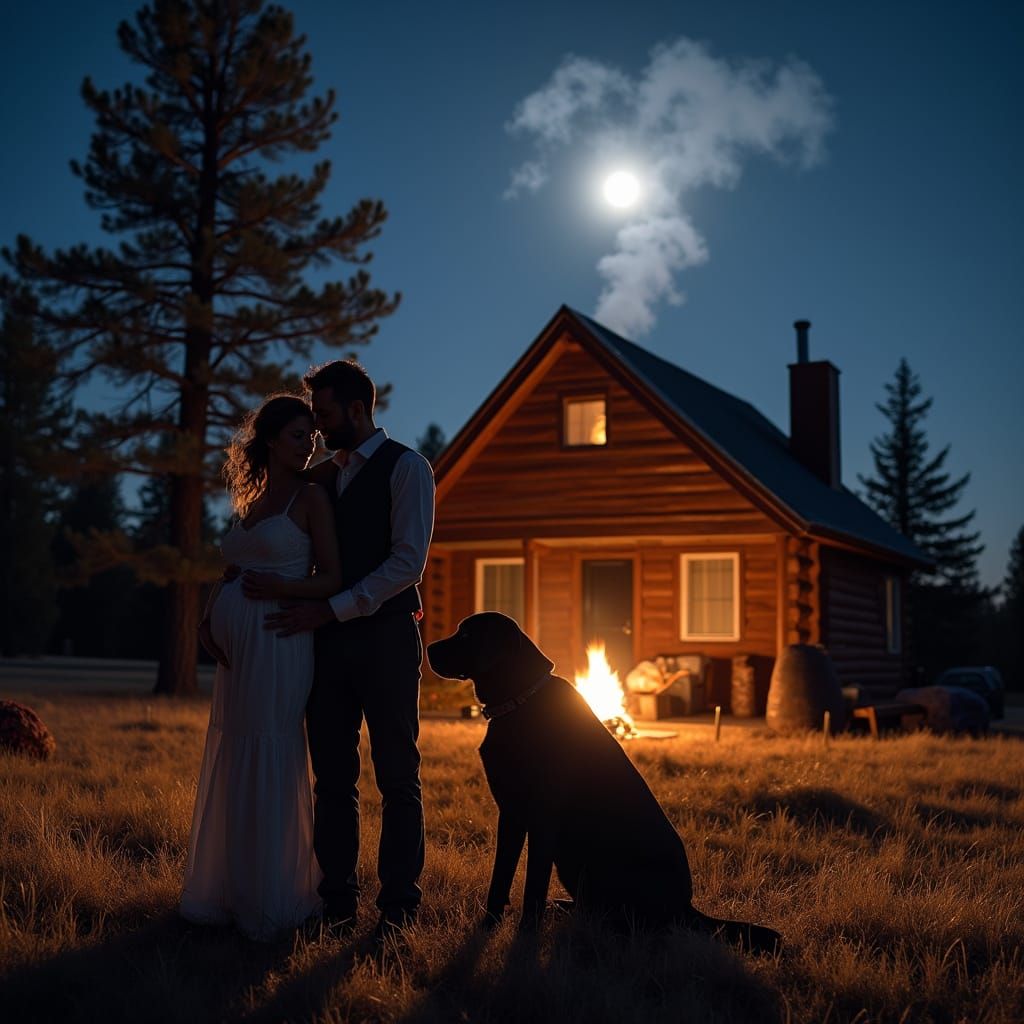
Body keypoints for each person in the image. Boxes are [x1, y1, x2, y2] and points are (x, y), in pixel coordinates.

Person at [264, 359, 435, 946]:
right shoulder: (322, 478)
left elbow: (407, 562)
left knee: (397, 774)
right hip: (327, 643)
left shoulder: (407, 468)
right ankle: (336, 901)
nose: (317, 425)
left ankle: (399, 906)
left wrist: (334, 608)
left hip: (386, 638)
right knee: (333, 776)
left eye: (326, 414)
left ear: (357, 410)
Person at [181, 394, 341, 941]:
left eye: (313, 437)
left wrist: (281, 587)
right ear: (271, 439)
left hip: (281, 642)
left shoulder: (311, 498)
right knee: (235, 751)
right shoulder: (252, 503)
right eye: (300, 435)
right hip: (236, 653)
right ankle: (229, 888)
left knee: (270, 751)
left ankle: (274, 896)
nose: (310, 444)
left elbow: (332, 579)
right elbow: (231, 569)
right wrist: (208, 620)